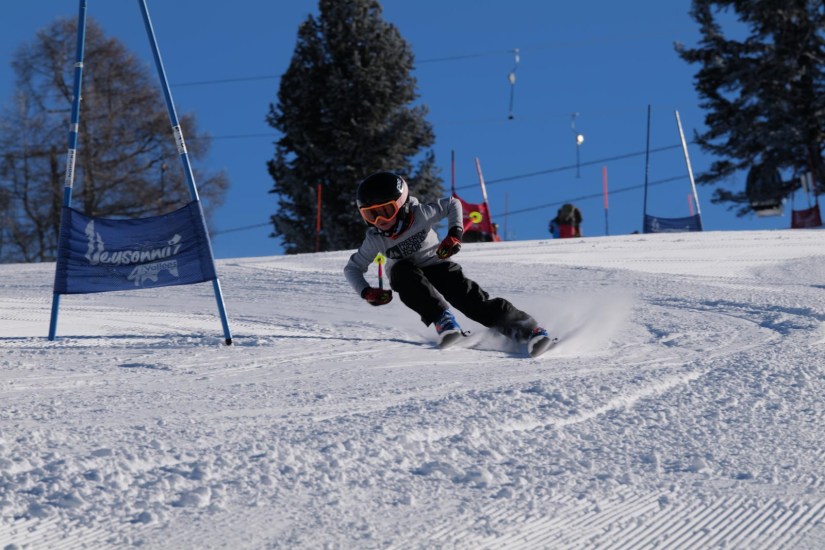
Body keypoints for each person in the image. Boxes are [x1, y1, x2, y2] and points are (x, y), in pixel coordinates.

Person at [344, 171, 554, 357]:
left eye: (386, 211)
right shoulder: (375, 239)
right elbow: (352, 268)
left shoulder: (421, 214)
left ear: (401, 204)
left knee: (470, 301)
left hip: (437, 263)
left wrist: (454, 234)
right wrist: (366, 291)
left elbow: (453, 204)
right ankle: (443, 321)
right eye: (370, 215)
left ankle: (529, 330)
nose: (380, 221)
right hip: (406, 274)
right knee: (401, 273)